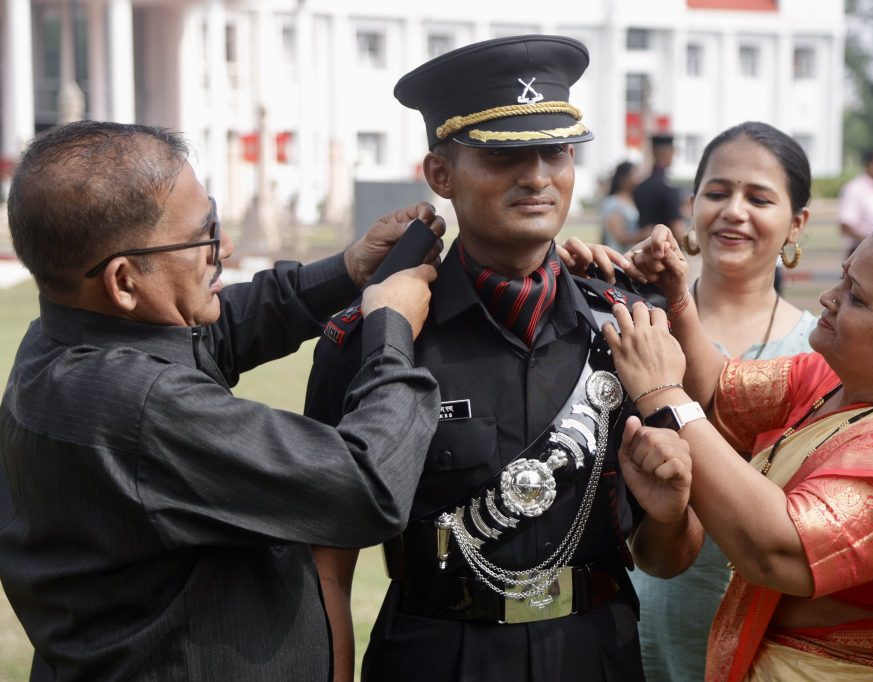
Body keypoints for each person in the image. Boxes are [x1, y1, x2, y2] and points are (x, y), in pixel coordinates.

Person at [305, 35, 696, 682]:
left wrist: (674, 508)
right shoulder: (373, 337)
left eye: (555, 151)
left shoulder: (629, 324)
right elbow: (327, 563)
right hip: (433, 656)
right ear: (440, 175)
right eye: (504, 154)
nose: (537, 176)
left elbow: (667, 555)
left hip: (594, 654)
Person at [0, 120, 445, 680]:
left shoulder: (62, 338)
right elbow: (364, 487)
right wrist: (391, 331)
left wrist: (348, 269)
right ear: (123, 282)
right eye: (204, 234)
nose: (226, 247)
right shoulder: (141, 405)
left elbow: (214, 329)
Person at [606, 211, 873, 680]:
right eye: (842, 279)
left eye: (856, 299)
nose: (828, 299)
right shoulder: (832, 382)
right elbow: (719, 392)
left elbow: (779, 551)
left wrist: (663, 393)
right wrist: (676, 296)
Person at [632, 121, 816, 682]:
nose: (734, 211)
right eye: (718, 193)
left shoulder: (822, 349)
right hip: (644, 622)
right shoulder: (638, 328)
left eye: (759, 198)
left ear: (797, 223)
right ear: (691, 207)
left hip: (778, 634)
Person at [837, 147, 873, 257]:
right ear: (870, 164)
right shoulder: (855, 189)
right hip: (860, 253)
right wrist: (872, 241)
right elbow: (845, 226)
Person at [634, 133, 686, 240]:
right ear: (669, 153)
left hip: (642, 247)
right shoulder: (668, 186)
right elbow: (677, 227)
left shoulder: (641, 186)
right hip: (665, 249)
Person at [601, 160, 646, 252]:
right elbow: (619, 237)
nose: (638, 179)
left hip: (632, 257)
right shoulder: (613, 203)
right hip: (619, 259)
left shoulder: (635, 200)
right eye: (634, 175)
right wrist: (645, 234)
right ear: (623, 179)